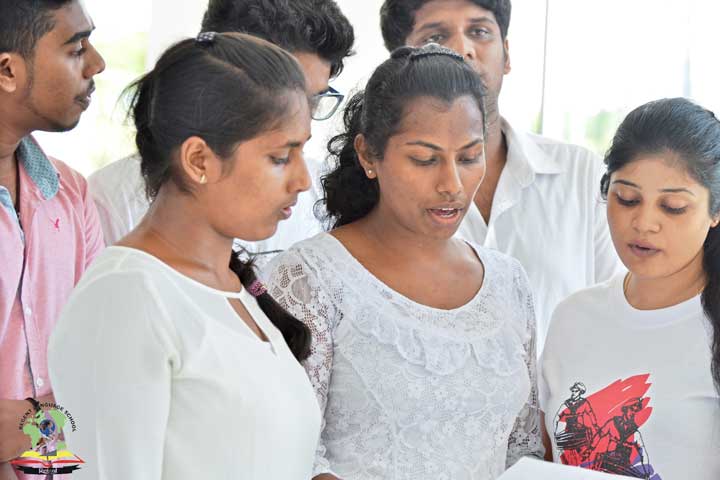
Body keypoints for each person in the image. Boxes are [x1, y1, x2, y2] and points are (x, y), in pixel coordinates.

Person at [263, 43, 544, 480]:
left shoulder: (509, 284)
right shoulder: (309, 279)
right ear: (368, 155)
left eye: (469, 157)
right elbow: (285, 452)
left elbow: (522, 450)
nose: (452, 184)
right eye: (424, 159)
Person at [48, 33, 321, 479]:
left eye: (301, 151)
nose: (303, 180)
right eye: (279, 157)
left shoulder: (233, 289)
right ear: (198, 160)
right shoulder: (126, 296)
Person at [380, 0, 621, 350]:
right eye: (436, 37)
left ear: (506, 55)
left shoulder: (582, 175)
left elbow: (620, 315)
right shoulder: (377, 190)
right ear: (399, 66)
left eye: (479, 31)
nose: (463, 48)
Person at [88, 0, 355, 259]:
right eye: (287, 98)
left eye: (314, 99)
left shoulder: (320, 197)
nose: (302, 119)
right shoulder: (112, 205)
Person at [540, 98, 720, 479]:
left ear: (715, 211)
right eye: (627, 199)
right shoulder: (572, 317)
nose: (644, 223)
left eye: (673, 207)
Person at [0, 0, 105, 477]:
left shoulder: (70, 193)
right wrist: (51, 418)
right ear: (7, 70)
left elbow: (100, 365)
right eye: (76, 48)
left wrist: (29, 424)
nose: (97, 64)